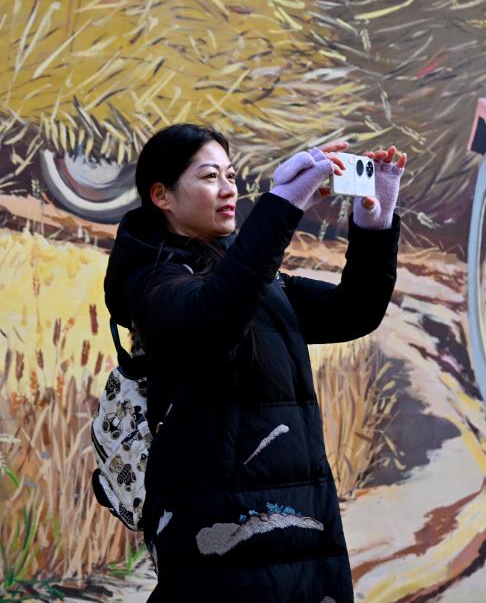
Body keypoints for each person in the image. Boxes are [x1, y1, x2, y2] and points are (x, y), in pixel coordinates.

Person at [103, 123, 406, 602]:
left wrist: (376, 222)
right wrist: (283, 204)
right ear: (161, 196)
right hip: (222, 537)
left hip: (303, 524)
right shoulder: (153, 281)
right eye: (210, 177)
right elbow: (214, 315)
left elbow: (354, 312)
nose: (229, 189)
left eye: (231, 175)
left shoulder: (252, 279)